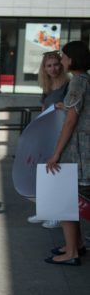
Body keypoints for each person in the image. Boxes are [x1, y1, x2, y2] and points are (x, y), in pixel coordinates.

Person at [45, 40, 90, 266]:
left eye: (63, 57)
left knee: (66, 201)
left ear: (72, 59)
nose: (61, 61)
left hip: (77, 153)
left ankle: (71, 252)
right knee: (74, 200)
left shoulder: (77, 83)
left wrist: (55, 154)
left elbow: (71, 121)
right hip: (83, 151)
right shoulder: (86, 80)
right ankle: (77, 245)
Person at [27, 51, 70, 229]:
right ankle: (45, 210)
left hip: (62, 134)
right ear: (44, 68)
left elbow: (73, 110)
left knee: (58, 173)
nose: (53, 68)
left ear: (61, 65)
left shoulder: (68, 84)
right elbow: (43, 110)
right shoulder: (47, 86)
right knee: (45, 172)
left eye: (56, 64)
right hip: (47, 132)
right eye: (49, 65)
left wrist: (64, 107)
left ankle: (57, 215)